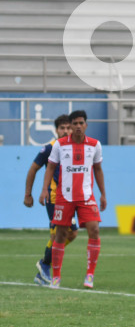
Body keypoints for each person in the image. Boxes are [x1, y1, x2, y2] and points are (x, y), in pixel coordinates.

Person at [38, 110, 107, 289]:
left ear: (86, 125)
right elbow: (50, 168)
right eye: (74, 123)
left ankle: (90, 275)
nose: (77, 126)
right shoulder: (60, 145)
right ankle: (56, 277)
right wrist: (44, 190)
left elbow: (98, 169)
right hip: (64, 196)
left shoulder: (95, 145)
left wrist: (103, 194)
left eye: (80, 123)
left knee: (94, 230)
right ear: (71, 125)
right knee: (60, 234)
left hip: (86, 196)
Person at [23, 114, 79, 286]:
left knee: (72, 233)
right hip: (54, 197)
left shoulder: (76, 148)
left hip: (70, 198)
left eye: (68, 128)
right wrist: (28, 194)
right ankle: (45, 266)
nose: (66, 131)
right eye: (62, 128)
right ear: (56, 130)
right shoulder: (49, 149)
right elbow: (33, 169)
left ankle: (43, 268)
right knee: (59, 234)